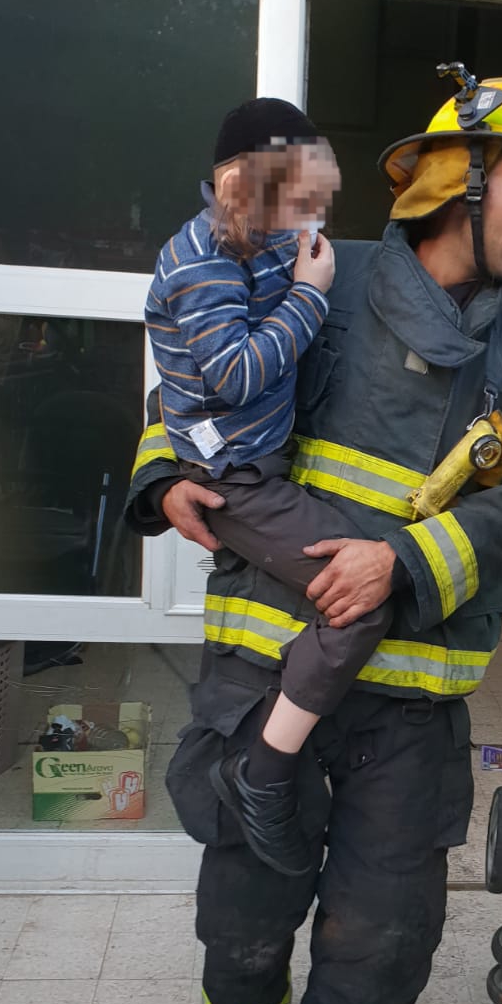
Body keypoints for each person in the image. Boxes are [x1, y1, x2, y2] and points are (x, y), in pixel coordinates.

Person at [126, 67, 502, 1004]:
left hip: (415, 684)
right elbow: (191, 383)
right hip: (270, 651)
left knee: (387, 895)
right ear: (458, 182)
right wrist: (164, 477)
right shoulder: (318, 275)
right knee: (251, 864)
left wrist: (401, 561)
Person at [145, 98, 396, 878]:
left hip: (257, 466)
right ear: (245, 182)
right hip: (238, 479)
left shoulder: (256, 243)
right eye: (298, 189)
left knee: (352, 586)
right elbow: (236, 371)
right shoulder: (199, 262)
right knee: (362, 601)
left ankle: (268, 757)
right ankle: (263, 766)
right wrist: (311, 293)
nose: (312, 209)